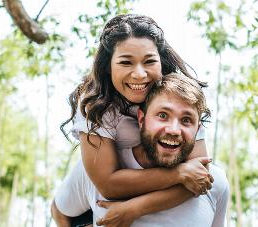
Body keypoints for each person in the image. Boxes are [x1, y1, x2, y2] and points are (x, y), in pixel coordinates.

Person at [52, 14, 214, 227]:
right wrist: (178, 173)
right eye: (126, 62)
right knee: (61, 210)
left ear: (161, 61)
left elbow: (197, 178)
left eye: (149, 62)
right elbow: (108, 184)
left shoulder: (180, 98)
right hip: (94, 188)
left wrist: (135, 209)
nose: (139, 74)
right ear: (109, 66)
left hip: (140, 187)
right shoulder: (96, 102)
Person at [55, 73, 229, 227]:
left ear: (198, 130)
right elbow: (60, 211)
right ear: (141, 119)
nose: (174, 130)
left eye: (186, 120)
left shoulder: (215, 183)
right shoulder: (97, 172)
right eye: (162, 115)